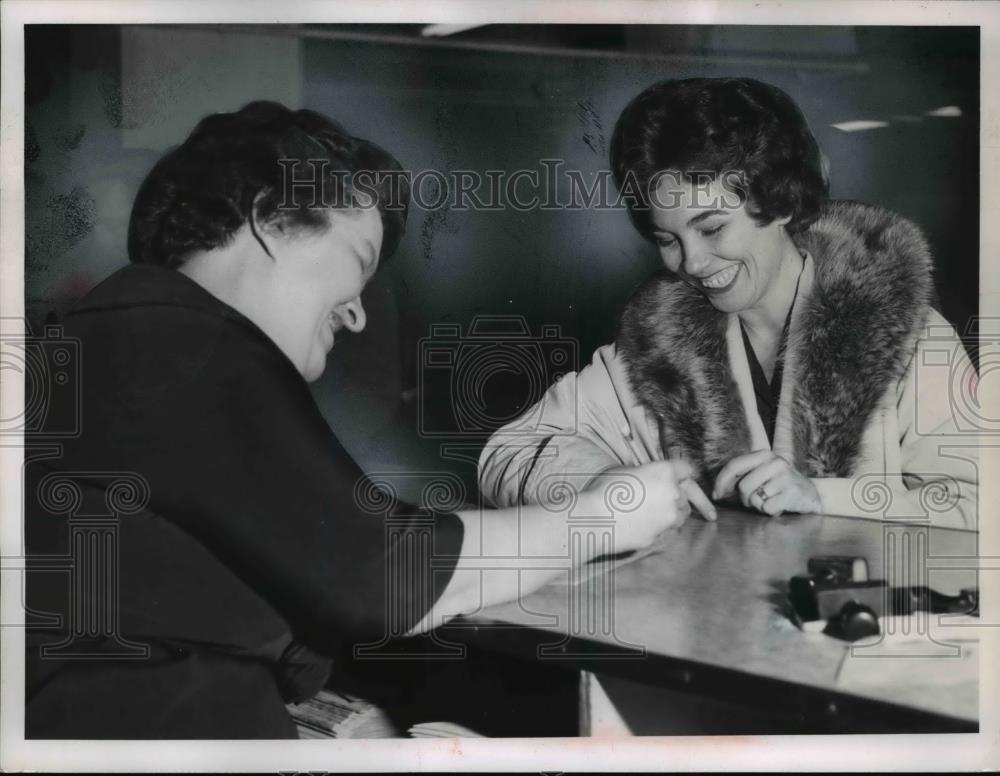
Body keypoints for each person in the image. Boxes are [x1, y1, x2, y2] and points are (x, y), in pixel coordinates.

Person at [23, 101, 695, 739]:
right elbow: (380, 576)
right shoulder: (182, 342)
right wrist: (609, 514)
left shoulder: (114, 336)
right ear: (269, 217)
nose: (359, 313)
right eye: (358, 262)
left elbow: (329, 557)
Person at [479, 77, 977, 529]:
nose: (691, 262)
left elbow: (979, 505)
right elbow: (508, 454)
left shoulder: (912, 339)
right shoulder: (654, 349)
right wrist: (607, 483)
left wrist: (823, 497)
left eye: (712, 227)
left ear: (780, 202)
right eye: (666, 239)